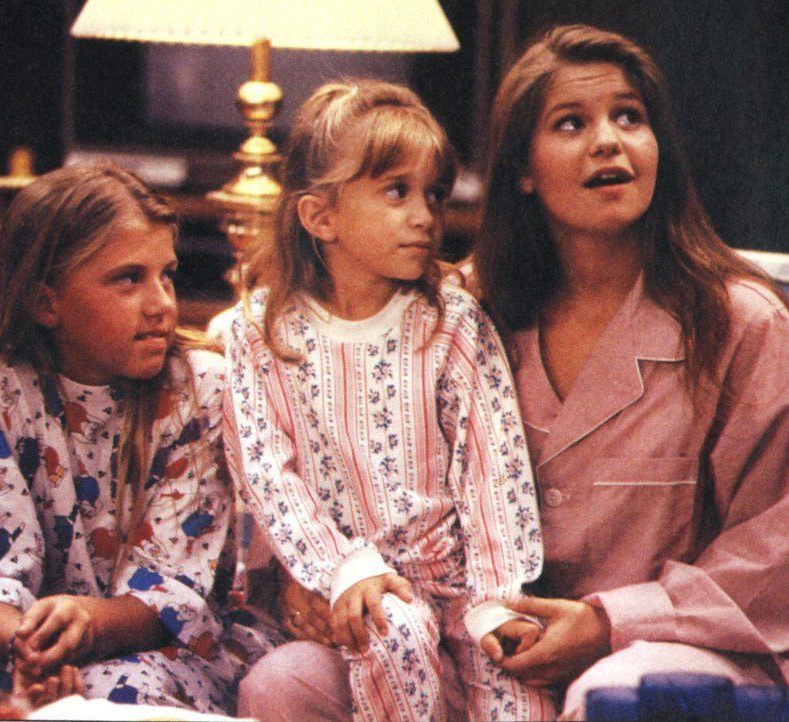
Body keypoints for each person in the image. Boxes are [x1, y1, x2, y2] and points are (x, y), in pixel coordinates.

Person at [238, 24, 789, 722]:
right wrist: (314, 579)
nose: (608, 141)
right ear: (522, 169)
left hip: (677, 652)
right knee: (282, 684)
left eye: (629, 118)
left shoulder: (742, 326)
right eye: (571, 123)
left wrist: (608, 623)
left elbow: (773, 564)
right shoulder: (453, 313)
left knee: (608, 698)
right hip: (477, 643)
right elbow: (325, 463)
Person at [223, 80, 552, 721]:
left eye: (434, 194)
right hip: (359, 583)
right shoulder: (259, 332)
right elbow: (265, 474)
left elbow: (494, 469)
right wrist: (341, 569)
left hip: (462, 587)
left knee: (520, 694)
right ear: (320, 218)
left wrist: (498, 598)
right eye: (397, 192)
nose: (425, 216)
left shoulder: (451, 323)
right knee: (389, 628)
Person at [0, 163, 278, 713]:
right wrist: (34, 653)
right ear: (46, 303)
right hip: (20, 649)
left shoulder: (201, 388)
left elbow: (174, 592)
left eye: (166, 274)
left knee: (110, 693)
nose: (161, 303)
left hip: (169, 651)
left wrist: (85, 625)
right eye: (128, 279)